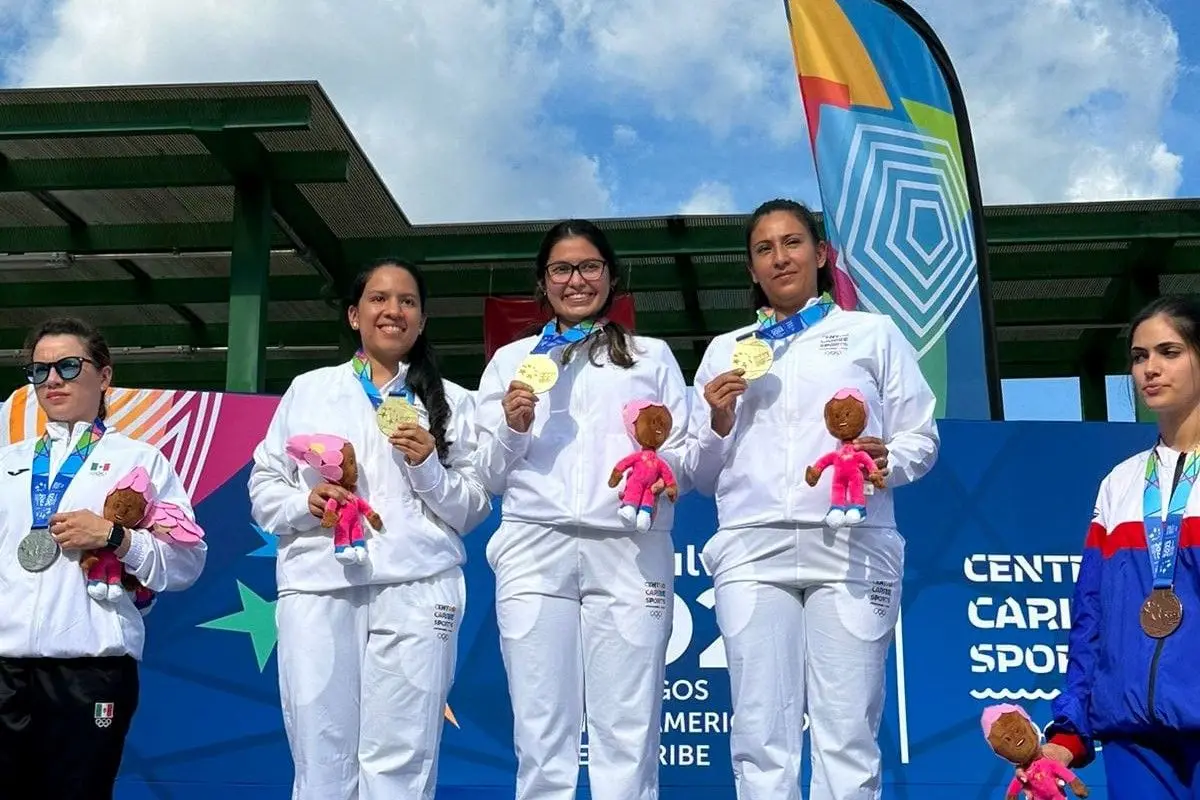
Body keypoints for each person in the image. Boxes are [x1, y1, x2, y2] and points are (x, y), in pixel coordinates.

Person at [685, 198, 939, 800]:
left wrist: (888, 462)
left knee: (846, 730)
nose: (780, 258)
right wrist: (718, 420)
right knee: (759, 730)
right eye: (765, 249)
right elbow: (697, 471)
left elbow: (921, 437)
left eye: (793, 242)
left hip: (852, 544)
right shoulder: (726, 350)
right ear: (751, 268)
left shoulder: (870, 333)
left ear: (821, 254)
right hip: (751, 548)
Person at [248, 258, 491, 800]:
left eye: (407, 302)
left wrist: (429, 466)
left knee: (401, 758)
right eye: (379, 299)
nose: (393, 311)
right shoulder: (308, 390)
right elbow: (264, 490)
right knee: (321, 753)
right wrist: (307, 502)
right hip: (318, 584)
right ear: (355, 315)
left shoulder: (452, 401)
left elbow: (473, 508)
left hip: (418, 586)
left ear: (422, 321)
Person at [474, 219, 690, 800]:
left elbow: (683, 455)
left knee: (628, 727)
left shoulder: (651, 356)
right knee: (542, 730)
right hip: (533, 548)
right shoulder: (510, 363)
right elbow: (488, 474)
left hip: (628, 546)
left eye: (589, 266)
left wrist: (667, 468)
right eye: (561, 269)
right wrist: (514, 427)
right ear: (542, 283)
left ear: (611, 276)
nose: (576, 280)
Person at [0, 317, 207, 799]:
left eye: (69, 366)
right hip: (5, 668)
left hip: (91, 669)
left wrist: (115, 536)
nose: (52, 380)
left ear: (104, 376)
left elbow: (187, 561)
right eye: (39, 370)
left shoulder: (141, 460)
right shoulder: (7, 463)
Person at [1036, 295, 1200, 798]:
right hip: (1133, 738)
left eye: (1169, 352)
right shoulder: (1120, 484)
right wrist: (1069, 728)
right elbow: (1091, 617)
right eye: (1138, 356)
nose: (1150, 368)